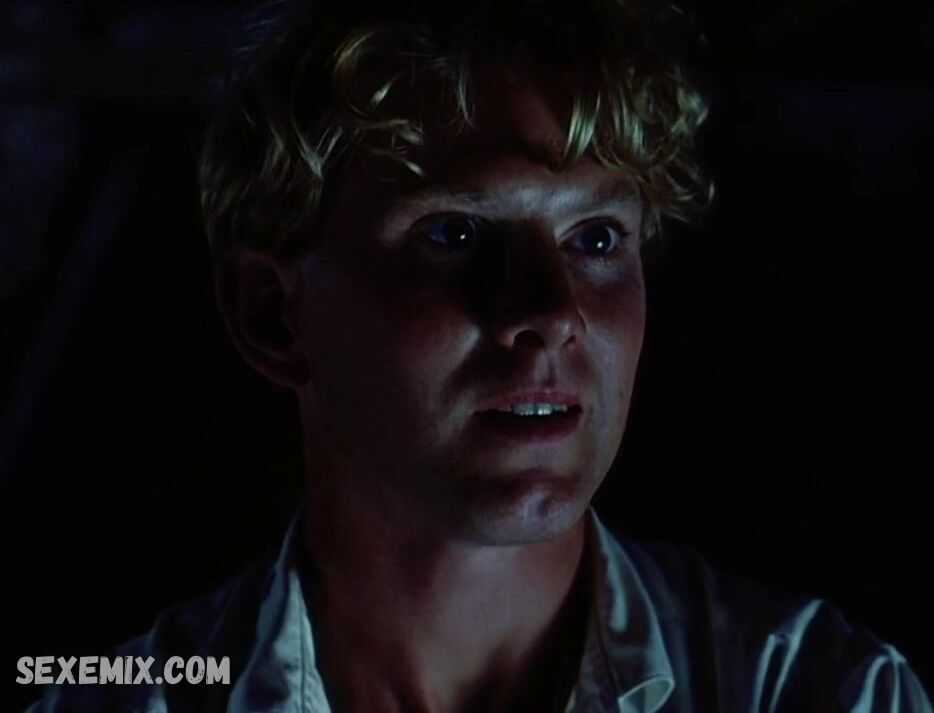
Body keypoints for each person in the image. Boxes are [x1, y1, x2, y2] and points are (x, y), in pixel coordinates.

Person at [28, 0, 932, 710]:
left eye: (596, 237)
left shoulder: (821, 692)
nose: (551, 311)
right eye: (454, 233)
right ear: (274, 316)